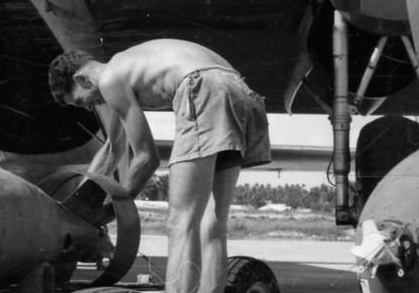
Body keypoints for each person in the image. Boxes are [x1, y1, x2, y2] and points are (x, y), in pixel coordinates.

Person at [48, 40, 271, 293]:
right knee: (212, 223)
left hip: (204, 87)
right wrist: (82, 203)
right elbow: (114, 147)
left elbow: (146, 157)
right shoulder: (124, 67)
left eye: (80, 101)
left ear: (82, 79)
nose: (88, 107)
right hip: (239, 91)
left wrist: (116, 209)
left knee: (180, 221)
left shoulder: (109, 79)